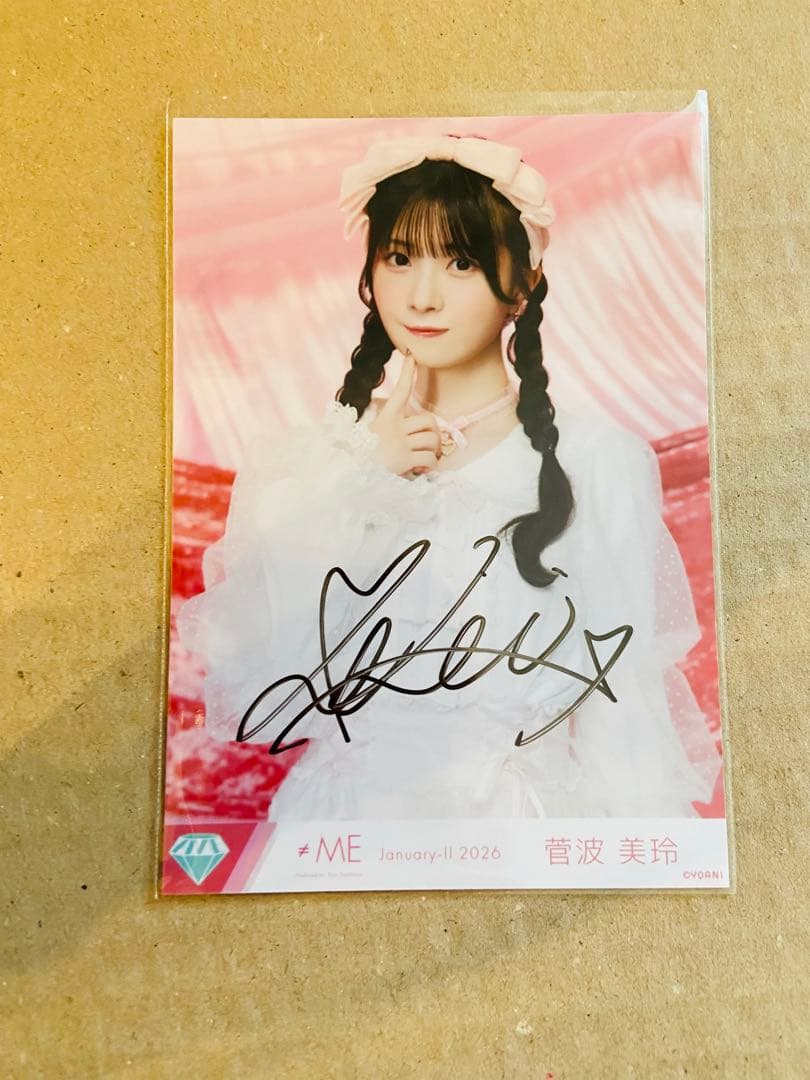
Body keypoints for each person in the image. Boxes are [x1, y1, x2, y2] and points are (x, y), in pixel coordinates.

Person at [176, 132, 722, 820]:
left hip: (527, 827)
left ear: (522, 285)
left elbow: (624, 708)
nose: (422, 296)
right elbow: (256, 671)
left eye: (461, 262)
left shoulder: (596, 461)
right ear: (369, 274)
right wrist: (363, 477)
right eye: (399, 258)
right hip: (349, 828)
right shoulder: (313, 463)